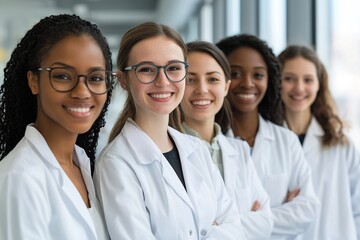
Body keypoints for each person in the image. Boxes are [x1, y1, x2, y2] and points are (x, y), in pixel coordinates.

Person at [93, 22, 245, 240]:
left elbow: (236, 229)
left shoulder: (196, 149)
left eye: (173, 68)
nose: (162, 81)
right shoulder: (116, 163)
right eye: (146, 69)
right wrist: (213, 230)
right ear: (124, 80)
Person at [0, 14, 114, 239]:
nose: (82, 92)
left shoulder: (80, 164)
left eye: (95, 78)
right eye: (63, 76)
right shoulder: (20, 179)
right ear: (34, 82)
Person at [216, 34, 320, 239]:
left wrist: (236, 221)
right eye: (235, 73)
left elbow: (307, 211)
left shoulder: (286, 141)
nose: (247, 83)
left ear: (270, 80)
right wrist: (272, 215)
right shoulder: (207, 143)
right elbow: (201, 220)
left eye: (258, 75)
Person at [180, 40, 273, 239]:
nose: (202, 89)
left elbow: (266, 223)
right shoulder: (166, 151)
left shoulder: (239, 150)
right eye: (190, 80)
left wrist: (216, 224)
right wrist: (242, 220)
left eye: (213, 79)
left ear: (226, 87)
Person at [278, 45, 360, 240]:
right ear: (277, 82)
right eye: (289, 79)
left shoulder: (341, 144)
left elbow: (358, 207)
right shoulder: (263, 141)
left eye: (308, 80)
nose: (299, 88)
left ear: (318, 85)